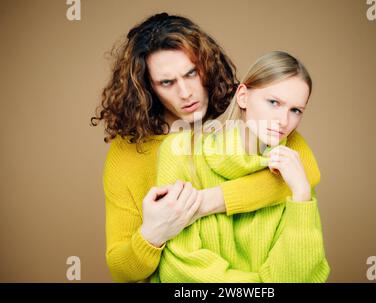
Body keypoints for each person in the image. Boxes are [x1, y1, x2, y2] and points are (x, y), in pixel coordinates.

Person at [91, 13, 322, 283]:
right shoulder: (129, 153)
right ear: (147, 88)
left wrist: (202, 203)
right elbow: (120, 269)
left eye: (192, 73)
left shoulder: (247, 115)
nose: (186, 92)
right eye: (167, 82)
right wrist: (154, 233)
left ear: (207, 66)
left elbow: (305, 172)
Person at [151, 51, 330, 282]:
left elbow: (300, 276)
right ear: (243, 97)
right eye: (274, 102)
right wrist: (261, 286)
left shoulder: (294, 171)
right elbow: (179, 270)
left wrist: (302, 196)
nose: (284, 121)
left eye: (295, 110)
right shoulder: (181, 150)